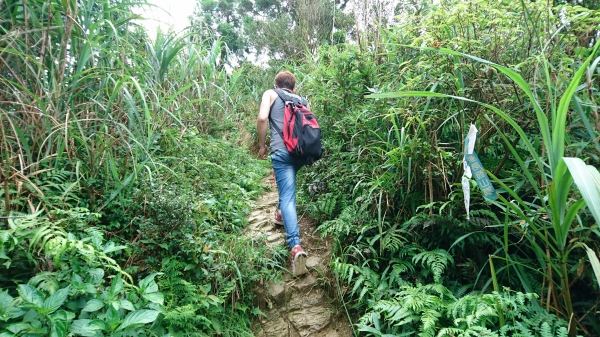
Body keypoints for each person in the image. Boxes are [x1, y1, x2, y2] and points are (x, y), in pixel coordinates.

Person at [257, 71, 309, 276]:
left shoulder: (270, 93)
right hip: (302, 153)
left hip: (281, 151)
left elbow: (262, 118)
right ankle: (280, 214)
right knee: (287, 186)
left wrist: (262, 146)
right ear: (294, 88)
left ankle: (295, 246)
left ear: (276, 85)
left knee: (287, 195)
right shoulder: (302, 99)